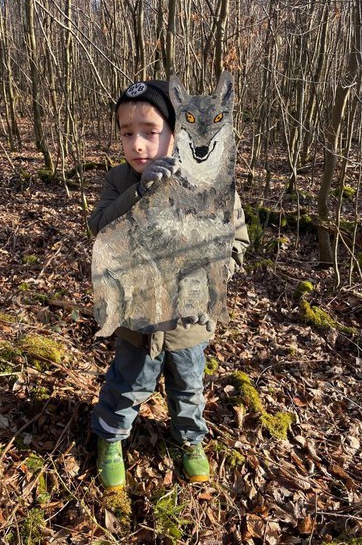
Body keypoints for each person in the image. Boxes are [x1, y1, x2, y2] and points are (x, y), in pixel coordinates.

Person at [89, 80, 249, 490]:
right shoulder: (119, 180)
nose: (138, 144)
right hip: (136, 317)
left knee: (189, 386)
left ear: (176, 133)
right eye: (127, 133)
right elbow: (101, 228)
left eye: (150, 131)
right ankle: (110, 438)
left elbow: (236, 240)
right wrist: (141, 190)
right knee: (128, 384)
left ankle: (189, 440)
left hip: (189, 321)